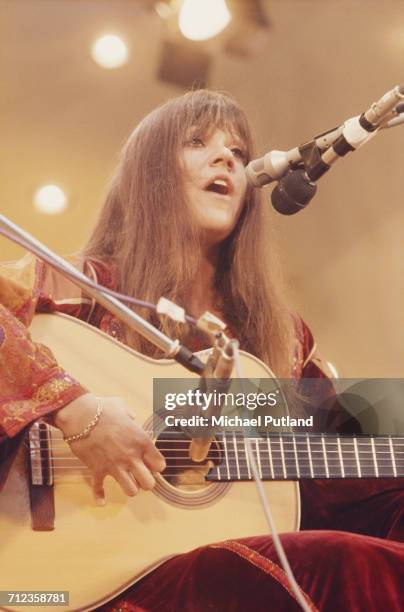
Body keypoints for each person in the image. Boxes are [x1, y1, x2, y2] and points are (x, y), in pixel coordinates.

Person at [1, 90, 403, 611]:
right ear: (149, 176)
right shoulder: (78, 284)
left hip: (204, 567)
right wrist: (76, 409)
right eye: (198, 143)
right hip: (58, 584)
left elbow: (338, 470)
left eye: (238, 153)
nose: (227, 160)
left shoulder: (281, 340)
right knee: (340, 564)